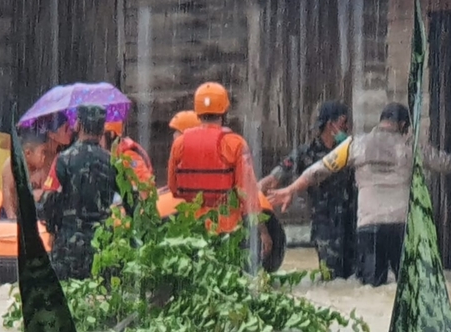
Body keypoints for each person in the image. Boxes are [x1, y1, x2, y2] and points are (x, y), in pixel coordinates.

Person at [268, 102, 451, 287]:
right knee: (406, 288)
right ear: (404, 125)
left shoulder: (355, 144)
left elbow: (318, 170)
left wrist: (290, 189)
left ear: (381, 122)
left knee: (373, 288)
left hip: (369, 228)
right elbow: (448, 164)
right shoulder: (411, 146)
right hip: (401, 227)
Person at [167, 82, 272, 266]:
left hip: (192, 233)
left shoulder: (179, 144)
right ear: (224, 111)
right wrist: (263, 231)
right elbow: (247, 195)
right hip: (227, 235)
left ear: (197, 111)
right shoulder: (235, 144)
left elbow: (174, 188)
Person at [258, 101, 357, 280]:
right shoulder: (306, 153)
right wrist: (254, 192)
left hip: (352, 224)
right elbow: (274, 178)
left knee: (356, 280)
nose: (347, 127)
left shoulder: (351, 151)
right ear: (331, 125)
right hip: (325, 227)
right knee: (332, 279)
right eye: (344, 122)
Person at [38, 105, 119, 280]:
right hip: (102, 246)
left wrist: (52, 228)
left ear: (78, 125)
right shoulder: (114, 162)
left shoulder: (63, 160)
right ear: (103, 128)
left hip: (68, 246)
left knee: (66, 299)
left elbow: (47, 201)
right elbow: (131, 201)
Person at [0, 131, 48, 219]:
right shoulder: (11, 164)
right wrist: (11, 217)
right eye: (42, 152)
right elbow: (7, 194)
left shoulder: (40, 168)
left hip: (28, 210)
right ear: (28, 153)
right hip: (11, 211)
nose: (44, 156)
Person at [102, 121, 155, 186]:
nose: (98, 138)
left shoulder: (129, 155)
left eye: (101, 134)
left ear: (111, 134)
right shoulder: (115, 155)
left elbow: (146, 185)